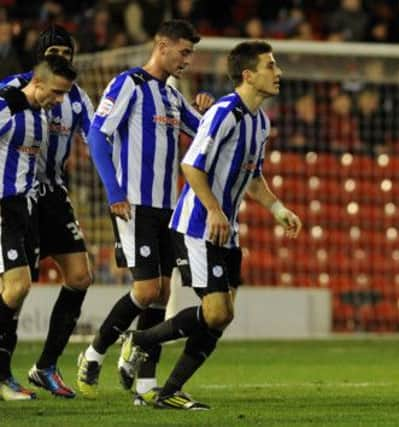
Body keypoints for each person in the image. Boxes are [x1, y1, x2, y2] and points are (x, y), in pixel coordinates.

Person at [117, 40, 302, 410]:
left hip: (225, 229)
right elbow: (191, 165)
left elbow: (253, 178)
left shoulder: (260, 122)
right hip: (198, 225)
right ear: (248, 75)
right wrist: (215, 209)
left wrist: (278, 208)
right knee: (216, 311)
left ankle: (168, 391)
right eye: (270, 65)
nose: (278, 72)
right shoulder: (223, 114)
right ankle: (141, 341)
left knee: (222, 317)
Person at [77, 20, 212, 403]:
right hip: (133, 202)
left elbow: (203, 133)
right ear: (161, 44)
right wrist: (115, 191)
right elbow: (97, 135)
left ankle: (145, 385)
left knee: (164, 292)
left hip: (166, 206)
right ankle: (94, 352)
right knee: (147, 289)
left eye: (191, 53)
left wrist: (206, 107)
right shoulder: (128, 85)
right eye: (183, 51)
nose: (188, 59)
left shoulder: (171, 96)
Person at [0, 24, 95, 399]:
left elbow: (99, 136)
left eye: (67, 54)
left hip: (45, 195)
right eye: (54, 54)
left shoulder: (64, 101)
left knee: (79, 277)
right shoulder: (12, 97)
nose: (62, 59)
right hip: (10, 199)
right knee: (16, 287)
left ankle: (45, 366)